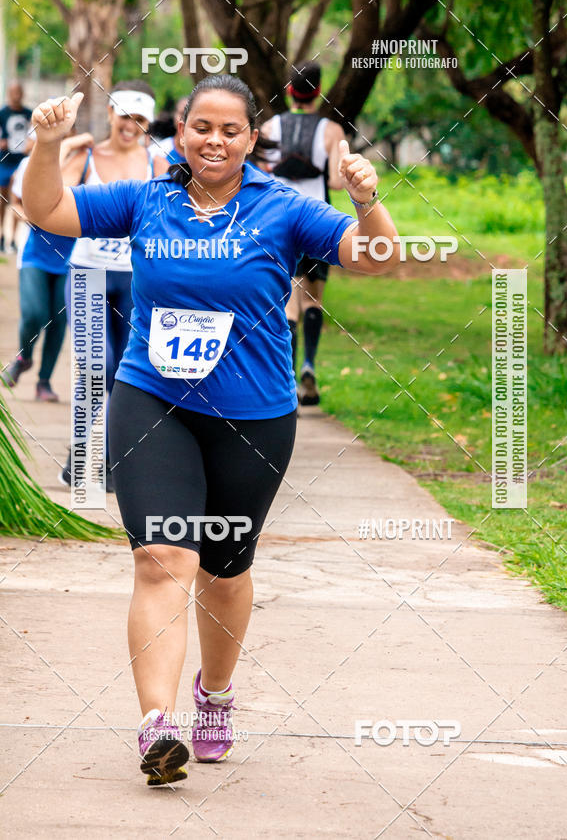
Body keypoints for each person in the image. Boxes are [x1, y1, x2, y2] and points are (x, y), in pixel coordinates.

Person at [22, 76, 397, 787]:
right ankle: (156, 726)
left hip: (253, 417)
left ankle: (215, 696)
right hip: (152, 399)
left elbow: (377, 257)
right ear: (180, 132)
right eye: (202, 127)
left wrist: (367, 201)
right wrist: (45, 147)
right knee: (162, 557)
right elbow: (48, 209)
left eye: (231, 130)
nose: (215, 141)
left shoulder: (283, 208)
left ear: (252, 140)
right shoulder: (147, 199)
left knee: (224, 569)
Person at [59, 80, 166, 489]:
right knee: (94, 365)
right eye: (125, 117)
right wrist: (63, 149)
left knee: (127, 372)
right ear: (110, 115)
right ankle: (86, 451)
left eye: (139, 119)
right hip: (88, 273)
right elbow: (49, 200)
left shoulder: (157, 163)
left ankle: (104, 455)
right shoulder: (87, 156)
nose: (131, 126)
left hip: (136, 281)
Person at [262, 62, 346, 405]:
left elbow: (262, 173)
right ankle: (310, 366)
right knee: (314, 299)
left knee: (289, 305)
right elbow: (339, 182)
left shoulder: (270, 126)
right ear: (319, 92)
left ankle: (290, 379)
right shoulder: (332, 130)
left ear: (288, 91)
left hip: (281, 221)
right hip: (319, 221)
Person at [2, 132, 93, 401]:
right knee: (33, 313)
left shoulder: (86, 163)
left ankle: (44, 382)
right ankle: (24, 357)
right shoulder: (29, 164)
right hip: (35, 255)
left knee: (58, 320)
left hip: (72, 258)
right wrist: (31, 217)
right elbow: (15, 203)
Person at [0, 80, 32, 253]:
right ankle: (2, 236)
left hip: (20, 163)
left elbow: (34, 135)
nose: (16, 95)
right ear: (8, 93)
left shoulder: (29, 114)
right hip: (4, 162)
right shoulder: (2, 113)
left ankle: (12, 238)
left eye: (18, 92)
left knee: (16, 201)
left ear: (22, 93)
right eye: (12, 92)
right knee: (2, 201)